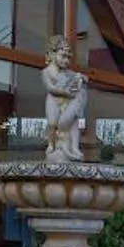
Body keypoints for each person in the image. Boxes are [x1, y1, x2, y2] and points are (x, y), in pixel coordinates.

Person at [42, 34, 89, 165]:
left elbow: (82, 77)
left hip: (66, 102)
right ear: (53, 54)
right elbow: (50, 88)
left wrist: (82, 78)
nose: (66, 61)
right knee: (52, 123)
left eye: (68, 58)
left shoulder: (68, 73)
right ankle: (51, 144)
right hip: (53, 100)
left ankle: (73, 147)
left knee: (72, 122)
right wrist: (65, 92)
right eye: (63, 56)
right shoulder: (47, 71)